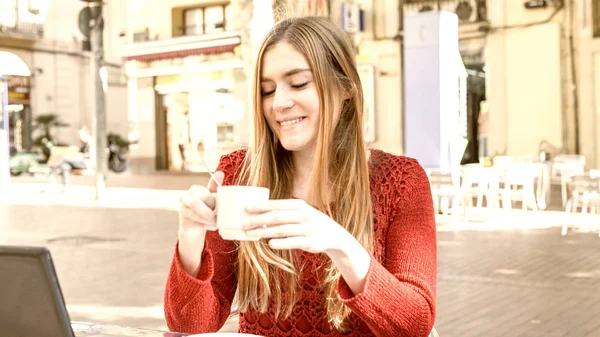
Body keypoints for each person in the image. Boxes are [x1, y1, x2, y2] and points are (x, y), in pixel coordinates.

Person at [164, 16, 437, 337]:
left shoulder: (401, 181)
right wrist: (191, 238)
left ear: (345, 86)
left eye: (298, 83)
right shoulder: (238, 173)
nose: (279, 103)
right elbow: (190, 325)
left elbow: (416, 324)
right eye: (267, 90)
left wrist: (340, 244)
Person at [48, 126, 92, 191]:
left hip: (87, 163)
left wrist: (80, 155)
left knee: (65, 158)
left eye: (80, 135)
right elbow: (80, 152)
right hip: (81, 161)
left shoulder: (91, 142)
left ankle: (52, 172)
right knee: (65, 166)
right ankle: (66, 187)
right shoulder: (84, 143)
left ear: (86, 134)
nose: (79, 137)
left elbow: (90, 155)